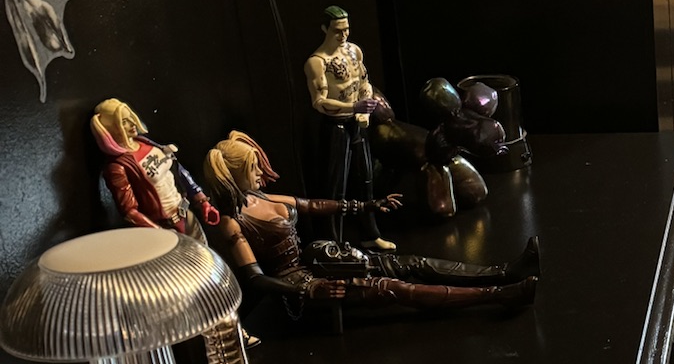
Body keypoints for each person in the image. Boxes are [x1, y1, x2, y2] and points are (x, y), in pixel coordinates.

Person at [203, 132, 538, 317]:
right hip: (301, 293)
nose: (261, 173)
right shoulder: (233, 223)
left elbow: (312, 205)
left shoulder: (260, 197)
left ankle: (504, 271)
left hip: (316, 262)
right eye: (252, 169)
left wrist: (366, 205)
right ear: (234, 174)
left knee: (409, 263)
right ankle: (500, 295)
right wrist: (308, 289)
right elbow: (256, 279)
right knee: (393, 288)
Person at [303, 4, 397, 250]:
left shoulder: (354, 51)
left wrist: (364, 107)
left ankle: (370, 234)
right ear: (325, 29)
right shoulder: (318, 62)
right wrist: (354, 107)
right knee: (335, 187)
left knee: (365, 179)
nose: (343, 35)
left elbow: (364, 82)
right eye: (337, 30)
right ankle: (332, 243)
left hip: (358, 123)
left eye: (346, 29)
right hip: (336, 126)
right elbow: (319, 102)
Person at [91, 98, 220, 238]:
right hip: (166, 228)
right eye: (124, 122)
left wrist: (202, 200)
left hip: (186, 216)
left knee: (204, 251)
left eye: (130, 117)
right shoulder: (117, 167)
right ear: (112, 127)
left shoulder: (147, 144)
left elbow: (177, 169)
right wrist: (159, 233)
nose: (132, 123)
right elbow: (130, 212)